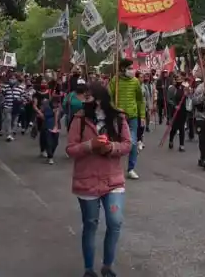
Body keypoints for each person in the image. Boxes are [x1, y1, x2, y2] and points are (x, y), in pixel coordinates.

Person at [66, 83, 131, 277]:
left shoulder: (118, 117)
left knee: (115, 222)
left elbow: (127, 144)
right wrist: (90, 145)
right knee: (90, 224)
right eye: (85, 97)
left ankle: (107, 266)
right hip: (87, 181)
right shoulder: (79, 119)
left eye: (89, 97)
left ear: (101, 98)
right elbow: (70, 149)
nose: (85, 100)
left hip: (113, 181)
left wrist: (111, 148)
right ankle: (89, 269)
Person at [110, 59, 145, 180]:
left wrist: (142, 116)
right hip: (118, 117)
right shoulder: (115, 80)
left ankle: (131, 168)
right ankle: (114, 168)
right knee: (116, 143)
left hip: (133, 117)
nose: (132, 70)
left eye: (132, 68)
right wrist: (114, 108)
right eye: (129, 68)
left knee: (133, 143)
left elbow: (140, 100)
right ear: (122, 69)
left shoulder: (135, 81)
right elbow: (108, 97)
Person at [167, 75, 189, 152]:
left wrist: (187, 94)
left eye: (180, 80)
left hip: (183, 111)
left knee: (182, 128)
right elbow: (168, 99)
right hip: (175, 111)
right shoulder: (172, 89)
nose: (179, 81)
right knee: (174, 128)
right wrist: (174, 105)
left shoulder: (184, 88)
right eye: (178, 80)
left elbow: (188, 97)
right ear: (175, 80)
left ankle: (181, 145)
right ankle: (171, 140)